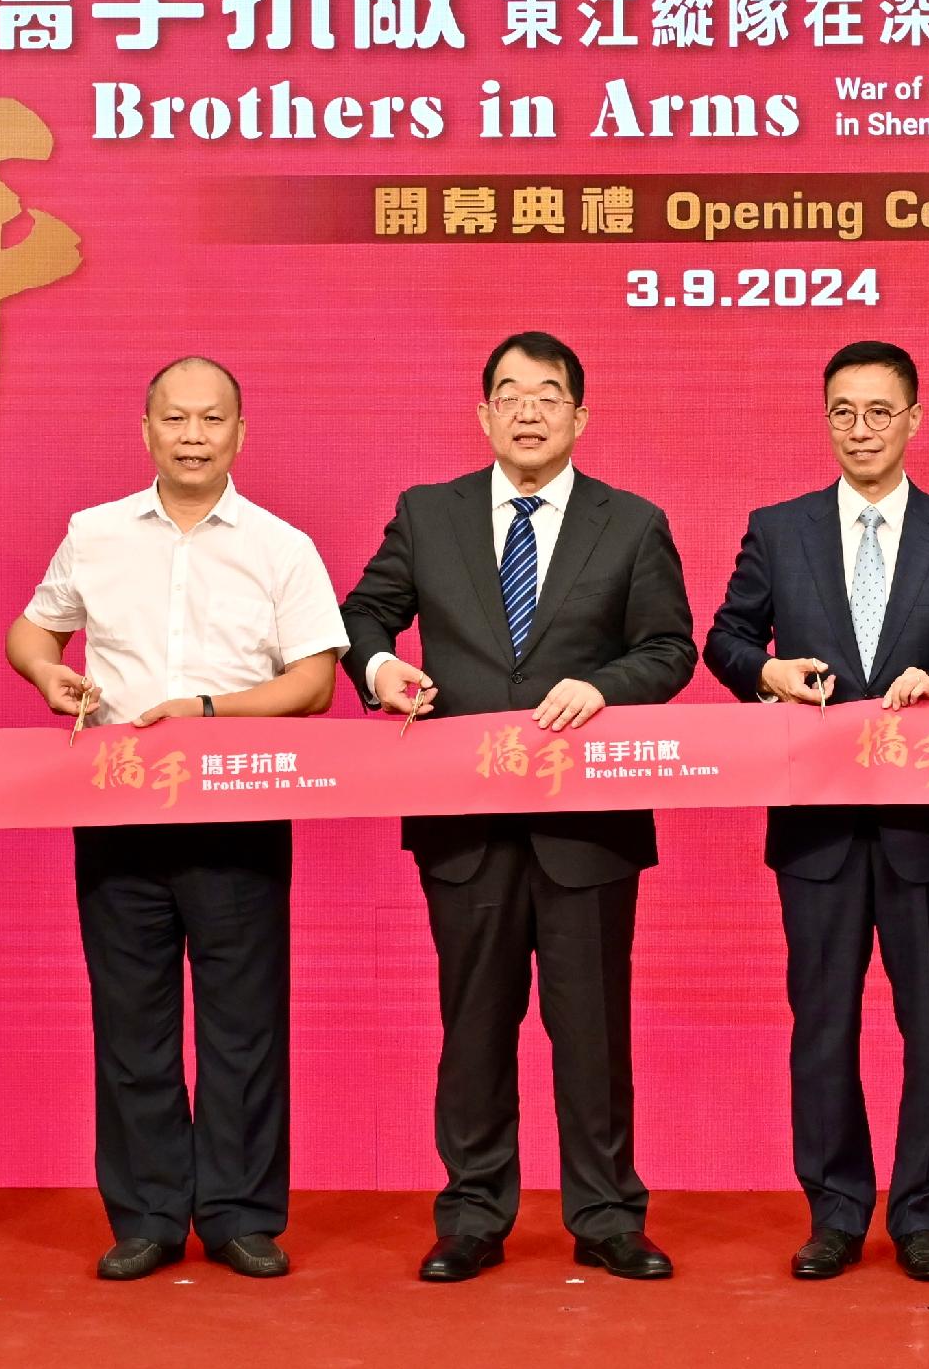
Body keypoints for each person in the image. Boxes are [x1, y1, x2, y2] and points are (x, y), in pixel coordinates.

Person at [337, 331, 698, 1283]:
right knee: (474, 1023)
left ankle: (608, 1213)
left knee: (593, 1028)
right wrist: (381, 668)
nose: (529, 410)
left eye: (549, 395)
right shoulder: (428, 513)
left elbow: (670, 648)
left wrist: (606, 688)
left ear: (581, 415)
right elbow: (362, 614)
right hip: (464, 822)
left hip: (589, 827)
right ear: (484, 414)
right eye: (510, 394)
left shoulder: (633, 522)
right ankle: (472, 1212)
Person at [7, 356, 345, 1283]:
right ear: (145, 428)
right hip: (117, 805)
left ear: (242, 432)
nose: (193, 436)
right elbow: (32, 630)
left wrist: (205, 711)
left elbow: (313, 682)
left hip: (237, 804)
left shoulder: (281, 544)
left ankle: (239, 1211)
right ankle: (149, 1213)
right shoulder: (95, 531)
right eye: (175, 419)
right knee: (132, 1022)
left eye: (212, 420)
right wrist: (48, 672)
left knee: (244, 1025)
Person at [701, 340, 929, 1284]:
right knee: (823, 1020)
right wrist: (762, 670)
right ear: (825, 418)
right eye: (843, 410)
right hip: (819, 825)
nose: (861, 429)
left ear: (915, 420)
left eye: (879, 411)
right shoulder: (780, 527)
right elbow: (724, 636)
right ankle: (837, 1211)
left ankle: (924, 1215)